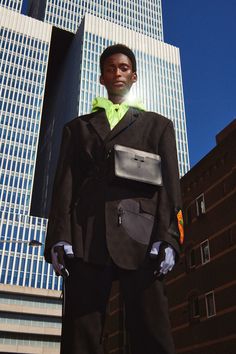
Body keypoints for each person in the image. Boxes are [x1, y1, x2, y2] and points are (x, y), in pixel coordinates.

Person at [44, 44, 184, 354]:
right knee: (80, 337)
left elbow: (170, 188)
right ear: (101, 78)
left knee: (152, 333)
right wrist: (58, 236)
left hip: (142, 237)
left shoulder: (158, 126)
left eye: (123, 68)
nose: (116, 72)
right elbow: (64, 186)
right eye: (110, 68)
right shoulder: (77, 128)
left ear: (134, 76)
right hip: (86, 237)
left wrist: (168, 238)